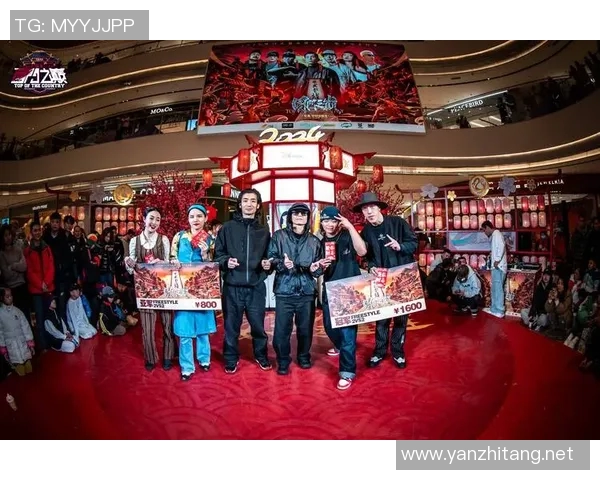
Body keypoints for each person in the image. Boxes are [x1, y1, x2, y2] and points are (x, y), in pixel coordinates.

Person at [354, 192, 417, 369]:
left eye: (372, 207)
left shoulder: (397, 223)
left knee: (400, 318)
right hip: (381, 280)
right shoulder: (366, 232)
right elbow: (367, 256)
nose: (369, 212)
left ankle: (398, 352)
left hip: (402, 278)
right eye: (365, 209)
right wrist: (371, 266)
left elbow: (414, 243)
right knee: (381, 318)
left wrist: (400, 246)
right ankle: (379, 351)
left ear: (379, 208)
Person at [214, 188, 272, 374]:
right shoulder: (227, 228)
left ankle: (261, 355)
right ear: (239, 204)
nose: (249, 204)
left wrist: (267, 264)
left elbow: (269, 257)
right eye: (245, 200)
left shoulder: (263, 231)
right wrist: (226, 262)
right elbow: (218, 256)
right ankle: (231, 358)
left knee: (258, 326)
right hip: (232, 286)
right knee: (231, 327)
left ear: (258, 205)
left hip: (256, 286)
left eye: (253, 201)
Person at [267, 203, 323, 375]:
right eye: (296, 213)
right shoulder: (279, 236)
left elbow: (319, 268)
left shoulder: (314, 241)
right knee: (281, 330)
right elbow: (271, 259)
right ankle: (283, 360)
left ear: (308, 218)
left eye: (303, 214)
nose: (300, 216)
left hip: (306, 291)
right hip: (284, 290)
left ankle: (304, 356)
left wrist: (316, 269)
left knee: (305, 329)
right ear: (290, 216)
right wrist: (282, 263)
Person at [318, 206, 367, 390]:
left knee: (348, 333)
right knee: (328, 325)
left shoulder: (347, 236)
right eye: (326, 220)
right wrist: (320, 266)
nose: (330, 224)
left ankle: (347, 372)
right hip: (330, 289)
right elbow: (316, 268)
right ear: (322, 222)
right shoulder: (320, 242)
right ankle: (339, 345)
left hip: (350, 290)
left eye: (333, 221)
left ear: (339, 222)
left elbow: (362, 251)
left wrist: (350, 227)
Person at [124, 207, 175, 371]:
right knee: (147, 328)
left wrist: (162, 263)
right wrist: (130, 264)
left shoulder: (164, 239)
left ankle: (168, 356)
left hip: (163, 289)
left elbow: (168, 264)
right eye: (151, 218)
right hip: (144, 289)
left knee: (167, 325)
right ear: (144, 219)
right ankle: (150, 357)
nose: (154, 222)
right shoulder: (135, 241)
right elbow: (131, 269)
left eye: (158, 219)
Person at [170, 204, 217, 381]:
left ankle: (204, 359)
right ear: (188, 219)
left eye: (199, 216)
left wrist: (205, 254)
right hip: (182, 288)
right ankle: (187, 366)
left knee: (203, 329)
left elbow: (214, 265)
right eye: (192, 216)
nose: (195, 219)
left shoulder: (211, 239)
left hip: (202, 288)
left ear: (205, 218)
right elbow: (171, 257)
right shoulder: (179, 236)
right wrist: (173, 262)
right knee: (184, 328)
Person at [23, 222, 55, 351]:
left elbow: (51, 266)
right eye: (35, 230)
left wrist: (46, 282)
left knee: (50, 317)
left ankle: (52, 341)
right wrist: (40, 284)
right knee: (40, 319)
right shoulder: (27, 251)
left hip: (48, 287)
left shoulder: (47, 248)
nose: (37, 232)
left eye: (39, 230)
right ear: (31, 232)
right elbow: (29, 271)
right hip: (36, 290)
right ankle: (42, 346)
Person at [0, 288, 35, 376]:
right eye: (7, 296)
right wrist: (3, 348)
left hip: (23, 345)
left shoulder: (18, 311)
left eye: (11, 295)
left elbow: (26, 327)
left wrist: (30, 342)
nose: (10, 298)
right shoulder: (1, 314)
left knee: (30, 371)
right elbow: (0, 333)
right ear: (2, 298)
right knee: (21, 374)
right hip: (11, 347)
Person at [481, 221, 507, 318]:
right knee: (495, 289)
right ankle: (494, 309)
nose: (484, 232)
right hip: (496, 266)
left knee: (498, 289)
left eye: (484, 230)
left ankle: (499, 310)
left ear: (487, 227)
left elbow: (502, 247)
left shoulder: (497, 234)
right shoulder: (495, 235)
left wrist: (497, 260)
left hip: (498, 267)